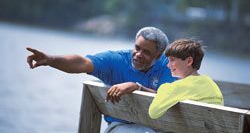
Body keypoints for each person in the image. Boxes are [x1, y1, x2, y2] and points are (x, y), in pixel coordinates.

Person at [26, 26, 176, 132]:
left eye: (146, 52)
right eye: (137, 48)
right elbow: (81, 63)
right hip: (120, 127)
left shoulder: (168, 66)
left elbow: (169, 98)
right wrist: (50, 59)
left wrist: (136, 87)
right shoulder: (116, 60)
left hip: (156, 128)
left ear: (158, 55)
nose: (138, 54)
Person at [149, 38, 224, 119]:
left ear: (189, 61)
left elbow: (153, 113)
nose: (168, 65)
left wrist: (163, 88)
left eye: (172, 60)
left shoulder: (177, 87)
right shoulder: (211, 84)